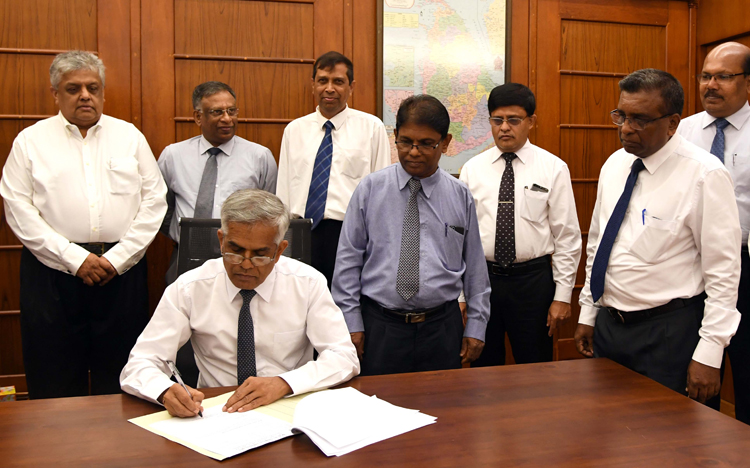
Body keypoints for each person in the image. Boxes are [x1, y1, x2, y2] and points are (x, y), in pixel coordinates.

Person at [0, 50, 167, 399]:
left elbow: (154, 201)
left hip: (121, 271)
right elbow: (18, 208)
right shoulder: (31, 141)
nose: (85, 96)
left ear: (102, 92)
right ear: (55, 94)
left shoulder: (129, 136)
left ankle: (120, 436)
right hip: (52, 272)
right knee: (53, 374)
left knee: (123, 374)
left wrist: (117, 258)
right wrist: (75, 259)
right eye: (73, 88)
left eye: (93, 87)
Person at [574, 69, 741, 406]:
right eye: (621, 115)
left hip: (668, 334)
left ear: (672, 123)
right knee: (606, 426)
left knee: (671, 433)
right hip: (610, 326)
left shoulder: (704, 174)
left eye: (640, 120)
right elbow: (599, 244)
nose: (625, 128)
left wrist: (710, 352)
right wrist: (589, 313)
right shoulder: (615, 165)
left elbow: (723, 272)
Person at [120, 190, 359, 417]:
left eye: (260, 254)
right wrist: (164, 391)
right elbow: (141, 362)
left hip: (287, 405)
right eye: (235, 251)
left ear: (279, 251)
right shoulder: (190, 287)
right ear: (221, 240)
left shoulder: (307, 283)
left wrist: (284, 383)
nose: (245, 264)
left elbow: (343, 357)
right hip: (216, 410)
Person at [332, 94, 491, 376]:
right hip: (380, 326)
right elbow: (348, 261)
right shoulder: (370, 190)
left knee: (444, 401)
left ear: (445, 142)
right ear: (395, 136)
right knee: (379, 401)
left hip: (442, 328)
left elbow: (476, 267)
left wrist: (477, 325)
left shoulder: (460, 195)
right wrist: (351, 322)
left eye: (426, 144)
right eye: (405, 142)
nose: (413, 152)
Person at [459, 83, 581, 366]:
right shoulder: (472, 169)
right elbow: (461, 239)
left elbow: (567, 237)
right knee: (483, 367)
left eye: (513, 120)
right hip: (484, 281)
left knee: (535, 366)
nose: (504, 127)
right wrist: (461, 295)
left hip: (533, 283)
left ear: (531, 121)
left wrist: (562, 296)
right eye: (497, 120)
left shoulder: (553, 168)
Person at [677, 42, 750, 423]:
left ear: (748, 82)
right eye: (706, 76)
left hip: (745, 263)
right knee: (698, 363)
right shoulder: (682, 130)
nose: (711, 85)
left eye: (724, 77)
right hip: (691, 264)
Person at [276, 51, 390, 287]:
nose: (329, 88)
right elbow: (283, 191)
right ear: (313, 85)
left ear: (351, 86)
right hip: (301, 232)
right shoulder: (294, 130)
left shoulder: (372, 128)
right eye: (322, 81)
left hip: (350, 233)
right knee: (300, 299)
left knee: (344, 301)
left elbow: (381, 194)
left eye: (338, 81)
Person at [159, 81, 277, 284]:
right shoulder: (173, 156)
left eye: (232, 111)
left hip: (241, 260)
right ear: (198, 117)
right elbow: (161, 208)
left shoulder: (259, 157)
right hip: (185, 256)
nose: (227, 118)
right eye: (217, 112)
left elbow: (271, 213)